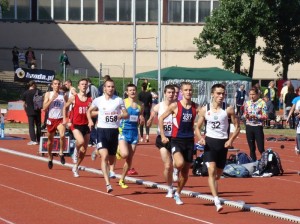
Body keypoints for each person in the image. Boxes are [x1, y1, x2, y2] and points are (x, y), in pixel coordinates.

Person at [195, 83, 240, 212]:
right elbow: (197, 127)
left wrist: (231, 139)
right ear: (212, 94)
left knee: (218, 174)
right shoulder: (205, 109)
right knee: (211, 170)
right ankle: (216, 200)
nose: (221, 96)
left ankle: (214, 186)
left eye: (223, 94)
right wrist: (201, 138)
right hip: (209, 143)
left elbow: (237, 127)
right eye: (218, 93)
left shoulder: (228, 109)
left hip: (223, 144)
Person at [159, 82, 197, 205]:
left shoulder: (195, 106)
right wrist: (163, 135)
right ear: (181, 92)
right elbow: (161, 119)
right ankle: (175, 169)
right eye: (186, 90)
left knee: (186, 174)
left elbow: (204, 117)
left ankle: (178, 193)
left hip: (190, 141)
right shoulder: (175, 106)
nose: (189, 92)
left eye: (190, 90)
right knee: (179, 163)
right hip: (177, 139)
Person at [87, 78, 128, 193]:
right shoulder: (98, 100)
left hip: (114, 132)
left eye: (112, 87)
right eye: (108, 87)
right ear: (104, 88)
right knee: (104, 157)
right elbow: (89, 111)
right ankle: (108, 183)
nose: (110, 89)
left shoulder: (119, 100)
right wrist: (90, 120)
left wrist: (121, 115)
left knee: (111, 159)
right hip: (102, 131)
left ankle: (97, 151)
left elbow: (126, 114)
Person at [147, 85, 177, 198]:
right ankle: (170, 188)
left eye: (172, 93)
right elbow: (153, 113)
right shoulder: (159, 106)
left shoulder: (177, 105)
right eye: (169, 92)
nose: (171, 95)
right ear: (165, 93)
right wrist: (150, 120)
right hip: (162, 138)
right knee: (168, 165)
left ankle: (176, 171)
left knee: (177, 163)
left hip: (175, 138)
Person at [63, 78, 92, 177]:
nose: (84, 86)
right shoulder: (74, 98)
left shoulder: (90, 100)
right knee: (81, 141)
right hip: (75, 125)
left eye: (85, 84)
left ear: (87, 86)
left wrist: (92, 120)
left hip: (85, 125)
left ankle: (75, 166)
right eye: (82, 84)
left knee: (84, 151)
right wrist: (65, 120)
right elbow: (65, 107)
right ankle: (75, 149)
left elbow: (91, 112)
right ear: (79, 86)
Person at [117, 83, 144, 188]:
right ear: (126, 92)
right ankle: (118, 151)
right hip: (123, 131)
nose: (132, 92)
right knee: (124, 154)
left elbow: (140, 117)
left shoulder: (140, 104)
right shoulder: (123, 102)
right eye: (130, 90)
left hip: (134, 133)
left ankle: (122, 179)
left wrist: (141, 120)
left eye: (134, 90)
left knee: (129, 158)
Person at [43, 78, 67, 169]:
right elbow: (44, 107)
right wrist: (51, 99)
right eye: (55, 84)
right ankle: (50, 157)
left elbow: (66, 107)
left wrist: (65, 117)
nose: (57, 85)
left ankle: (61, 152)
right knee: (50, 141)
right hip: (51, 119)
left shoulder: (63, 95)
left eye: (58, 84)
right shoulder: (48, 94)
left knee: (62, 135)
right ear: (52, 85)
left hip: (60, 119)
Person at [243, 87, 267, 161]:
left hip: (258, 126)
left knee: (260, 148)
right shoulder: (247, 103)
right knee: (252, 148)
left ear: (257, 94)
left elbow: (265, 116)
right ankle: (253, 163)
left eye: (253, 94)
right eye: (250, 94)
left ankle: (265, 162)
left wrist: (257, 116)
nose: (251, 96)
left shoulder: (262, 103)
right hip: (249, 126)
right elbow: (244, 114)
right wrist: (246, 116)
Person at [21, 80, 42, 145]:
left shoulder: (25, 93)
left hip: (30, 111)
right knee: (38, 125)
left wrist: (26, 110)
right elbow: (41, 100)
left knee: (31, 125)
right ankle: (39, 140)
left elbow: (24, 104)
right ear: (33, 85)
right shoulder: (38, 91)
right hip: (37, 110)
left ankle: (33, 140)